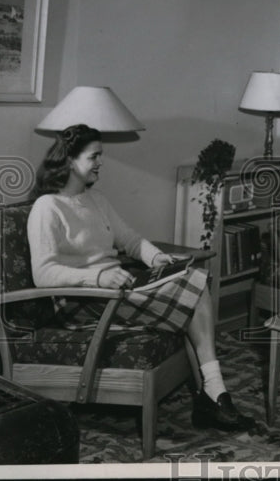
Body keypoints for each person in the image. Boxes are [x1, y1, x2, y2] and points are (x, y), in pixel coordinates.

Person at [27, 124, 252, 432]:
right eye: (94, 156)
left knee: (195, 278)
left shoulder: (96, 200)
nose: (100, 163)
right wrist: (96, 278)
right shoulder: (47, 207)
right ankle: (214, 394)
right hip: (82, 299)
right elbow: (43, 273)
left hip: (116, 289)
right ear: (69, 161)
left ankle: (214, 392)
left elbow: (131, 240)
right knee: (196, 289)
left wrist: (157, 259)